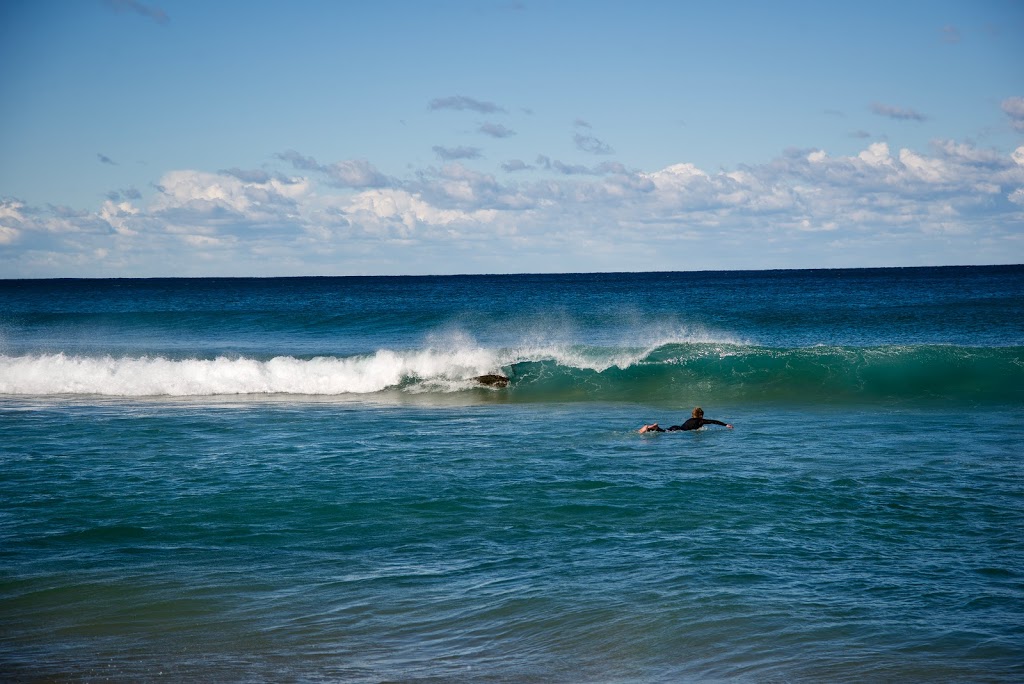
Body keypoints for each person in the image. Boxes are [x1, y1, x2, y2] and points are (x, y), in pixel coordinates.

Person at [639, 407, 733, 433]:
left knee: (664, 431)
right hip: (679, 430)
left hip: (676, 427)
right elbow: (713, 421)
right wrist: (725, 425)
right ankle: (654, 427)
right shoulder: (700, 421)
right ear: (701, 415)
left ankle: (652, 428)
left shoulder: (690, 419)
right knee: (664, 432)